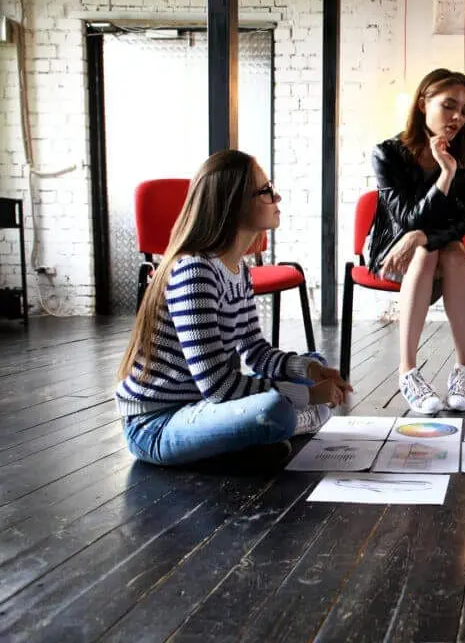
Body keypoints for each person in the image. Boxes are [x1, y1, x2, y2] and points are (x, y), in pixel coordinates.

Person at [115, 150, 351, 469]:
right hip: (155, 425)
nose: (277, 197)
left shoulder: (238, 271)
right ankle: (276, 424)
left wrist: (309, 372)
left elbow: (255, 352)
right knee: (275, 409)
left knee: (313, 363)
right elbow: (218, 386)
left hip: (200, 403)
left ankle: (255, 433)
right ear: (236, 203)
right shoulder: (195, 273)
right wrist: (307, 396)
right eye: (266, 191)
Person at [366, 69, 465, 414]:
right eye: (449, 106)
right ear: (422, 104)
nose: (457, 117)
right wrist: (445, 176)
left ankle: (464, 370)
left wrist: (423, 235)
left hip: (440, 252)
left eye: (464, 110)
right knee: (426, 252)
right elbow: (406, 220)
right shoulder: (387, 153)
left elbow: (462, 220)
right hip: (395, 255)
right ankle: (408, 372)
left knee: (453, 252)